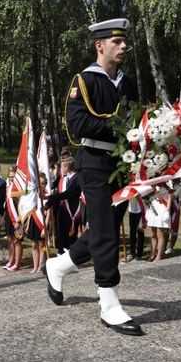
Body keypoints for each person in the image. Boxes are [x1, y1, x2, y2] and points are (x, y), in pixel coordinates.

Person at [42, 18, 143, 336]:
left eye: (125, 41)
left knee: (106, 228)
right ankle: (109, 304)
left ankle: (57, 265)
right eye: (117, 41)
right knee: (106, 232)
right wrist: (120, 127)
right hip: (95, 162)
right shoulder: (84, 80)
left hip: (121, 163)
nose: (124, 45)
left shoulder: (127, 82)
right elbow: (76, 126)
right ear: (100, 45)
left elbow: (139, 116)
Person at [44, 156, 81, 254]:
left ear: (67, 167)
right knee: (60, 235)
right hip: (62, 211)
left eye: (61, 167)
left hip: (72, 212)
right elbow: (57, 193)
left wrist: (48, 198)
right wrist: (47, 204)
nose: (60, 169)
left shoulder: (77, 179)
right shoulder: (63, 179)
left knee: (70, 237)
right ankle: (61, 253)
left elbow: (67, 194)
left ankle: (71, 257)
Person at [2, 166, 23, 272]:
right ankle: (11, 260)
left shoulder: (20, 189)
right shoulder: (8, 187)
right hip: (9, 217)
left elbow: (21, 205)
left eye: (13, 177)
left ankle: (17, 263)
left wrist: (18, 221)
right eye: (10, 177)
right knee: (10, 239)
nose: (11, 179)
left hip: (18, 218)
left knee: (17, 241)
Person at [145, 194, 172, 262]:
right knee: (153, 234)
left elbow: (170, 197)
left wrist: (167, 210)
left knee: (160, 234)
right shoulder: (150, 188)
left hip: (162, 209)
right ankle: (152, 254)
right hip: (152, 209)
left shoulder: (165, 186)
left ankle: (159, 255)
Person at [127, 196, 145, 261]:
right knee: (132, 232)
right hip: (132, 210)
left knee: (140, 232)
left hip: (140, 210)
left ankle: (139, 254)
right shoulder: (130, 188)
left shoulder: (141, 187)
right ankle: (132, 252)